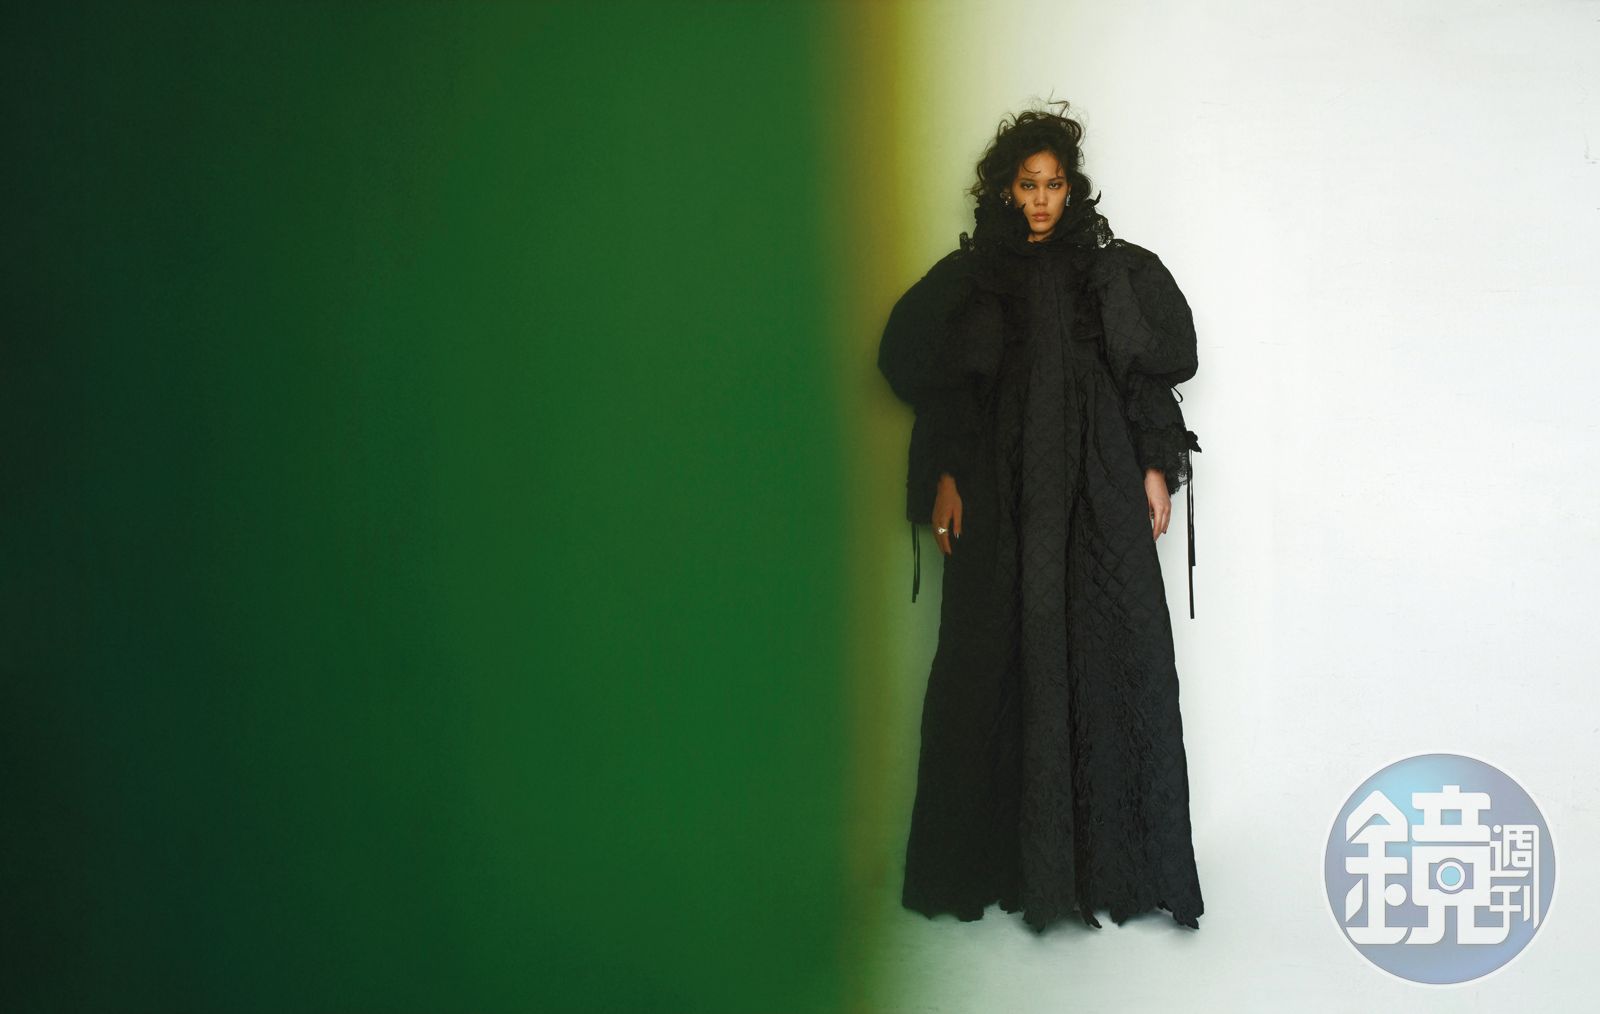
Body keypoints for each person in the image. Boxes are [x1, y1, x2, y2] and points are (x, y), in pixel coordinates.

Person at [876, 102, 1205, 933]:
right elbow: (938, 379)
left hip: (1098, 485)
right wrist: (947, 477)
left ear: (1071, 188)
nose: (1042, 200)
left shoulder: (1110, 270)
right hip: (1003, 488)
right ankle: (1006, 860)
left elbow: (1145, 376)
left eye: (1054, 185)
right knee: (993, 651)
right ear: (1005, 190)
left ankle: (1114, 864)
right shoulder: (976, 277)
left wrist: (1155, 469)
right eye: (1028, 185)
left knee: (1116, 645)